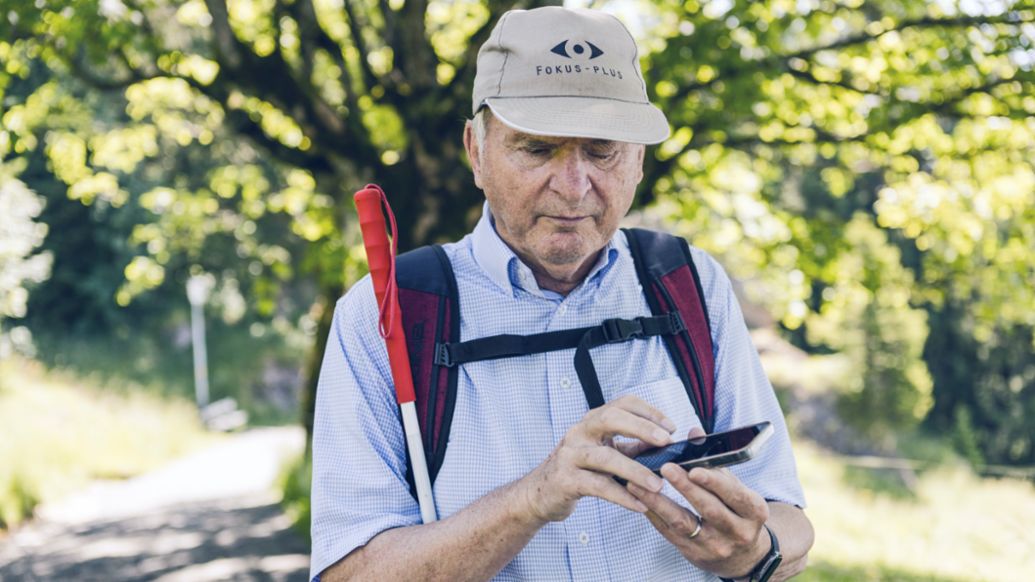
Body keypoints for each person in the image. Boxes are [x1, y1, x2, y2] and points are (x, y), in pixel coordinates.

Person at [310, 6, 814, 581]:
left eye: (602, 151)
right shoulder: (388, 316)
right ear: (476, 150)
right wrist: (536, 496)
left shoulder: (690, 286)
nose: (574, 187)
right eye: (537, 149)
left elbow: (791, 522)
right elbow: (347, 574)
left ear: (639, 159)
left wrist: (757, 550)